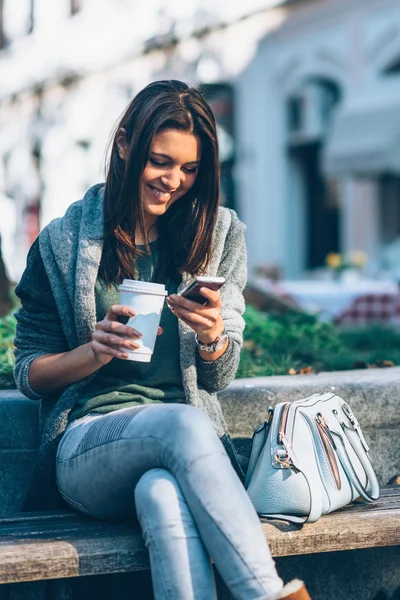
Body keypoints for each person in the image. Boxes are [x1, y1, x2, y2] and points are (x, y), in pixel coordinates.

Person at [14, 80, 311, 600]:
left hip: (186, 451)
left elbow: (218, 376)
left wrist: (214, 335)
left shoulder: (219, 234)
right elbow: (29, 373)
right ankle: (269, 593)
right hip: (87, 445)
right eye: (160, 161)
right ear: (125, 145)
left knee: (163, 495)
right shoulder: (64, 240)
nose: (174, 181)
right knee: (180, 423)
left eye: (190, 169)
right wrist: (93, 351)